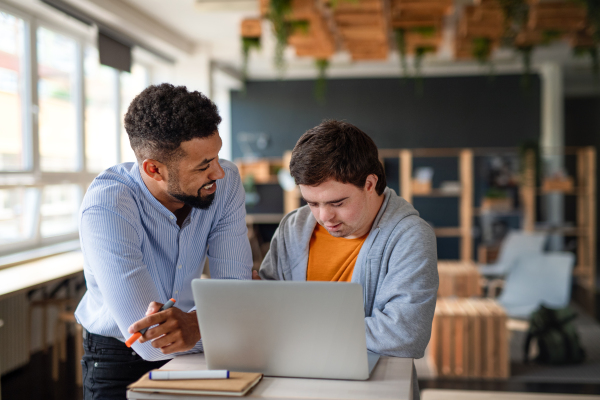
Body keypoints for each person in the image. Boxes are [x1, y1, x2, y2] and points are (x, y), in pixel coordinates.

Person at [74, 83, 252, 399]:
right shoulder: (108, 205)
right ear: (154, 169)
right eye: (203, 166)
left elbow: (236, 291)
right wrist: (221, 325)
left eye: (216, 157)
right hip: (118, 356)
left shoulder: (226, 182)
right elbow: (148, 341)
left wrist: (201, 326)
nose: (218, 173)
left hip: (199, 347)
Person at [254, 120, 438, 400]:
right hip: (292, 384)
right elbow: (264, 312)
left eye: (337, 203)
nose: (324, 217)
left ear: (370, 183)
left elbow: (403, 336)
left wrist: (295, 328)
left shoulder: (411, 236)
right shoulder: (293, 227)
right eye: (312, 203)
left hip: (371, 389)